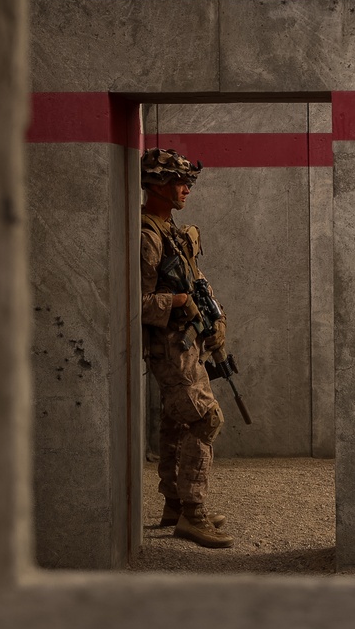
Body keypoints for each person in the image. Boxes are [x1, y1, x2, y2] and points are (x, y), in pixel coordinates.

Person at [140, 147, 233, 549]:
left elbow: (197, 284)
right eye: (179, 182)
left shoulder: (173, 233)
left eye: (187, 182)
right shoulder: (148, 237)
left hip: (187, 342)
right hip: (168, 346)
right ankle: (193, 516)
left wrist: (216, 322)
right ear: (158, 185)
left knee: (177, 422)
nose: (185, 190)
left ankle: (175, 505)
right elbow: (134, 303)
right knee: (205, 419)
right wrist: (176, 303)